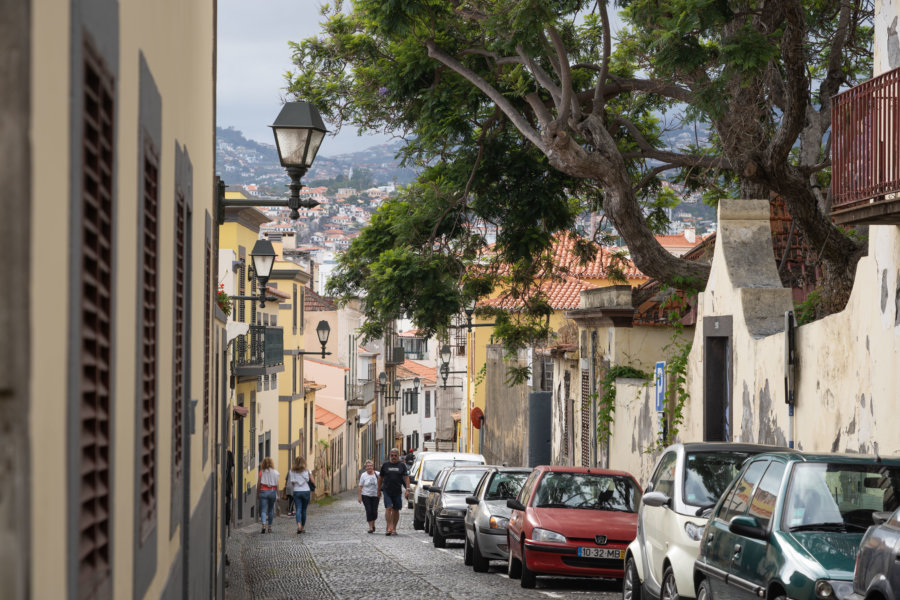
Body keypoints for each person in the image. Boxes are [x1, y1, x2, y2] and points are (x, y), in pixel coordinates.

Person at [377, 448, 410, 536]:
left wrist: (407, 489)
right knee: (388, 508)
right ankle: (388, 527)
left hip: (397, 491)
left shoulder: (402, 465)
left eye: (395, 456)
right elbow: (380, 478)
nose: (393, 457)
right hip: (387, 490)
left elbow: (406, 478)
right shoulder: (385, 465)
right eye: (392, 455)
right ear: (389, 456)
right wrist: (378, 490)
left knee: (396, 509)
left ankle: (394, 528)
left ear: (398, 456)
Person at [287, 456, 313, 534]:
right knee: (304, 510)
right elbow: (312, 480)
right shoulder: (307, 471)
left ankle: (298, 526)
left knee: (298, 509)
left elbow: (292, 482)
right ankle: (302, 527)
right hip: (306, 491)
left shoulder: (291, 471)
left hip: (297, 491)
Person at [258, 457, 279, 534]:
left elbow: (259, 483)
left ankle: (263, 525)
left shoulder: (261, 472)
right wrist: (278, 495)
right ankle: (269, 527)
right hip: (272, 491)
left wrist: (258, 493)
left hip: (263, 492)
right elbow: (277, 484)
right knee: (271, 510)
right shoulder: (275, 472)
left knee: (263, 510)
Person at [358, 460, 380, 533]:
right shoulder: (363, 475)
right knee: (369, 510)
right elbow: (360, 486)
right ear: (365, 467)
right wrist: (359, 496)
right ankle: (370, 527)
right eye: (368, 466)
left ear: (373, 467)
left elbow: (381, 483)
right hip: (366, 495)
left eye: (371, 466)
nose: (369, 467)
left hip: (375, 495)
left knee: (374, 511)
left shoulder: (377, 474)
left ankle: (373, 524)